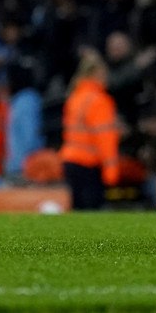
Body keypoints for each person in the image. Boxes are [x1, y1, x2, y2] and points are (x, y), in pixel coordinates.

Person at [59, 49, 121, 210]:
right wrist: (111, 170)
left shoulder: (74, 97)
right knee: (93, 211)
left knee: (78, 211)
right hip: (89, 164)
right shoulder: (100, 101)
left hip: (71, 160)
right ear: (96, 73)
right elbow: (105, 137)